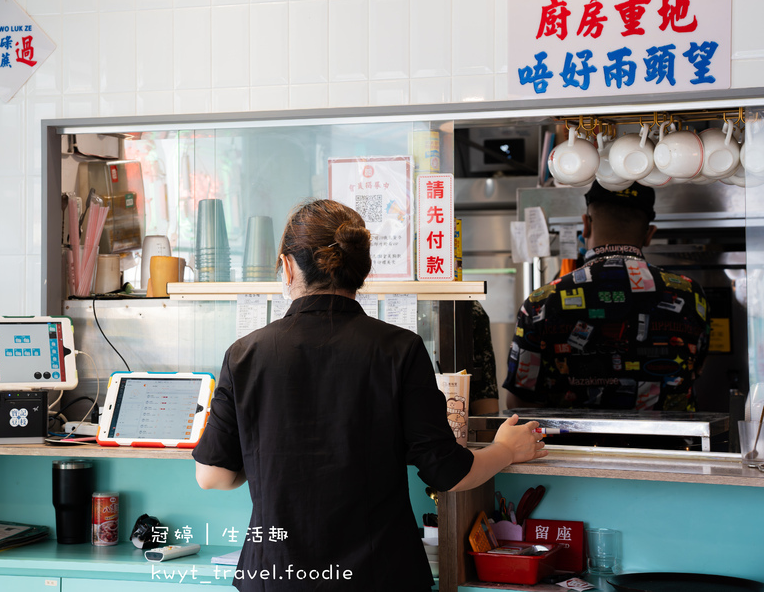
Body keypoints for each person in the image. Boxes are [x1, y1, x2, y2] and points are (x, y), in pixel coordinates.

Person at [193, 199, 546, 591]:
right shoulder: (399, 349)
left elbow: (213, 476)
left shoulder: (245, 354)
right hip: (380, 576)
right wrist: (507, 450)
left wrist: (266, 455)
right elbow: (447, 472)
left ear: (288, 266)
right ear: (361, 270)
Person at [503, 182, 711, 411]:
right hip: (669, 446)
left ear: (586, 226)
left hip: (569, 447)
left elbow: (519, 403)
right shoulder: (691, 295)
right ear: (650, 234)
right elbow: (696, 371)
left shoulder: (542, 301)